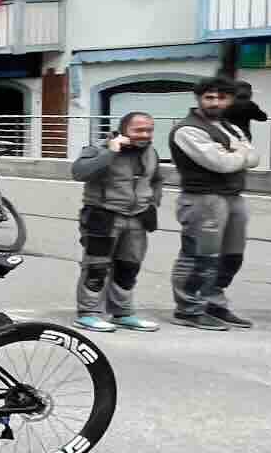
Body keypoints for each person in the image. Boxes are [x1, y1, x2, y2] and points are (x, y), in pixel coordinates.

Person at [168, 74, 259, 330]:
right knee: (199, 256)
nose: (215, 102)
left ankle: (213, 301)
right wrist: (238, 153)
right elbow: (222, 163)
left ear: (230, 99)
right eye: (209, 97)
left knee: (232, 257)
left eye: (222, 97)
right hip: (203, 199)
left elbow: (255, 158)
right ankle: (188, 308)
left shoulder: (231, 127)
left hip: (233, 197)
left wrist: (235, 153)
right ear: (199, 99)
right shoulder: (187, 130)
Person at [70, 111, 163, 332]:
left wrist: (152, 203)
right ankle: (88, 313)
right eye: (138, 130)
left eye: (149, 130)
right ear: (123, 130)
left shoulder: (151, 152)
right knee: (96, 267)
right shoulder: (98, 149)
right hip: (104, 217)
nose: (145, 134)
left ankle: (122, 312)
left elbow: (157, 179)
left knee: (128, 268)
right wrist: (110, 153)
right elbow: (79, 172)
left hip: (138, 219)